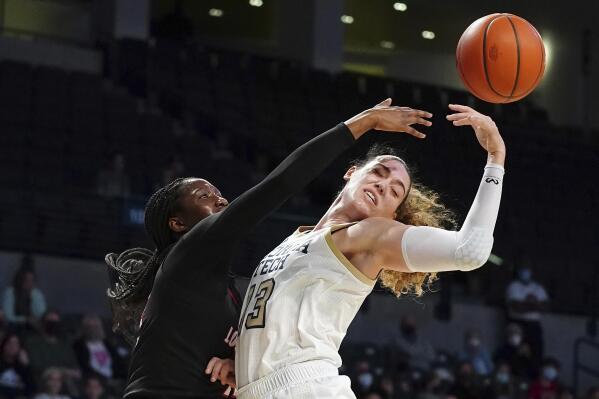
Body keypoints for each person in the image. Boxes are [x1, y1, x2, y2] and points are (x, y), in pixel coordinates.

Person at [105, 99, 432, 398]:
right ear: (177, 224)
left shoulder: (227, 294)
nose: (220, 199)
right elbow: (281, 182)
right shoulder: (187, 254)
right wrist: (365, 121)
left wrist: (237, 366)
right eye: (203, 197)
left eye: (219, 193)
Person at [235, 104, 506, 399]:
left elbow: (470, 251)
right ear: (351, 173)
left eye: (394, 191)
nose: (382, 186)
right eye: (378, 173)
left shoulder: (370, 236)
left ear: (391, 216)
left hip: (307, 387)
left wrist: (495, 159)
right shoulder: (292, 239)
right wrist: (237, 365)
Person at [24, 311, 81, 394]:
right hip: (43, 379)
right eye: (50, 322)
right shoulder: (33, 342)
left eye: (56, 322)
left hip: (67, 378)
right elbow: (36, 365)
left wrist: (71, 372)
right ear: (43, 323)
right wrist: (63, 371)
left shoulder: (64, 344)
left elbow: (74, 365)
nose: (53, 325)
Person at [506, 264, 549, 367]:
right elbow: (516, 307)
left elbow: (545, 307)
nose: (526, 272)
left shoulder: (538, 288)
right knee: (516, 352)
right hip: (517, 324)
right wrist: (535, 303)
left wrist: (526, 303)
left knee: (536, 353)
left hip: (534, 326)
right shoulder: (513, 286)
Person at [72, 314, 125, 381]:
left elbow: (118, 362)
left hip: (114, 379)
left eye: (95, 326)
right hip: (92, 380)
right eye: (90, 327)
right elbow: (83, 366)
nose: (93, 329)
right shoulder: (79, 346)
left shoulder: (107, 344)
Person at [2, 256, 47, 329]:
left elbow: (41, 315)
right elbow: (8, 317)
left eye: (32, 280)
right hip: (13, 329)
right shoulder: (10, 292)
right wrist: (25, 320)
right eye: (26, 280)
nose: (29, 283)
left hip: (33, 330)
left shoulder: (37, 294)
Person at [0, 333, 34, 399]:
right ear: (4, 345)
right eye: (9, 343)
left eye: (16, 344)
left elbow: (32, 389)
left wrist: (26, 366)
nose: (12, 346)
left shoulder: (22, 366)